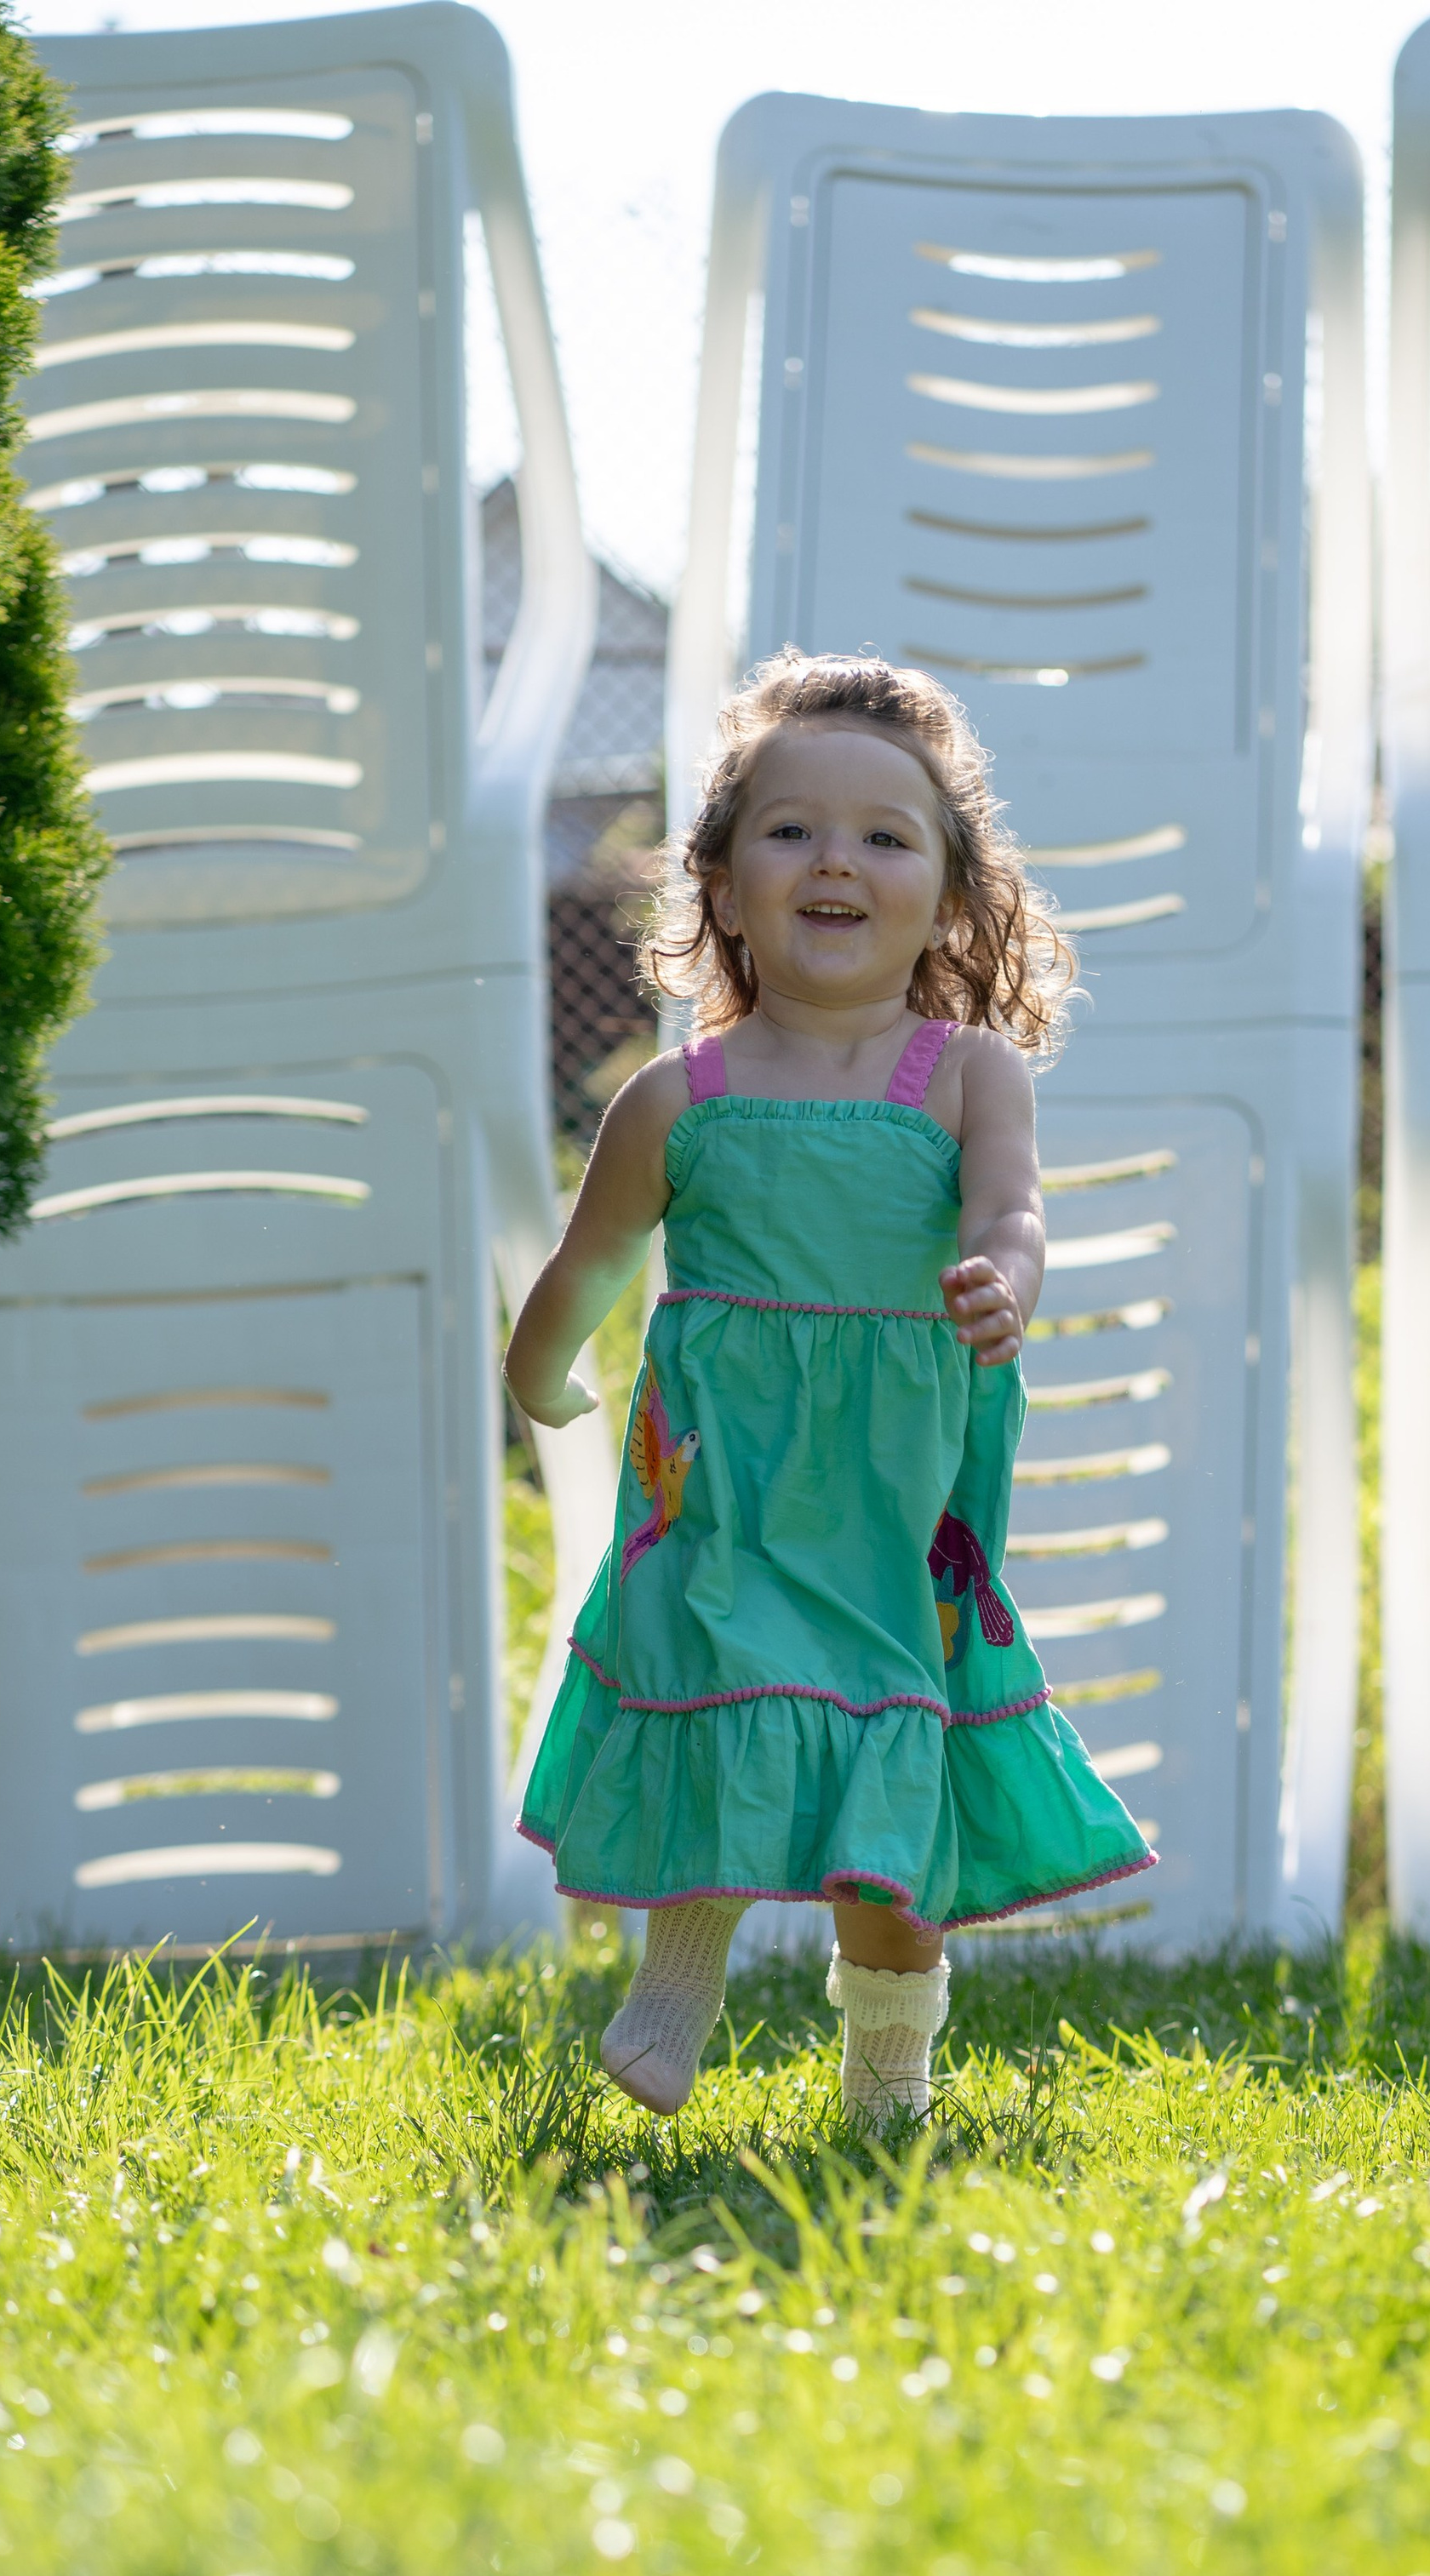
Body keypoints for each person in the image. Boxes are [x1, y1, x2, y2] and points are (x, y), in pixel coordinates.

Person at [505, 649, 1154, 2123]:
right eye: (791, 830)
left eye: (884, 835)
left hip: (892, 1494)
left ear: (952, 894)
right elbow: (591, 1260)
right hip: (724, 1480)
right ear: (723, 887)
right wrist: (540, 1372)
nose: (836, 860)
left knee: (887, 1754)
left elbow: (1014, 1211)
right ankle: (678, 1981)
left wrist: (1006, 1280)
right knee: (725, 1689)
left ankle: (888, 2077)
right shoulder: (680, 1098)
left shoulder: (969, 1076)